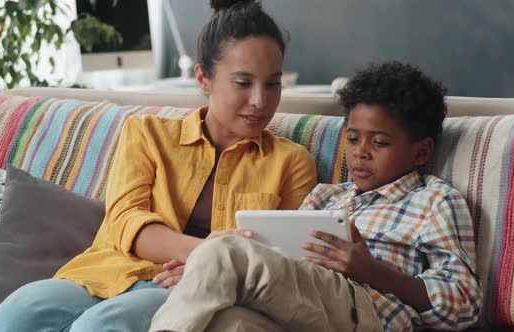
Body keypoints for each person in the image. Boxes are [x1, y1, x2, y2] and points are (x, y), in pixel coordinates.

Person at [0, 1, 317, 331]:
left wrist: (213, 272)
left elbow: (286, 262)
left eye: (272, 83)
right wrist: (211, 256)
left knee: (100, 326)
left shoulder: (291, 162)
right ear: (203, 78)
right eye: (243, 83)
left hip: (190, 289)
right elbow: (125, 220)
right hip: (108, 271)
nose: (261, 100)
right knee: (14, 314)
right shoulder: (147, 133)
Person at [149, 61, 483, 332]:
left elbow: (463, 304)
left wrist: (372, 271)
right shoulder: (325, 197)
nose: (361, 153)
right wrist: (207, 274)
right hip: (302, 311)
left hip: (369, 312)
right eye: (353, 139)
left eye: (379, 143)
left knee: (223, 249)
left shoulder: (435, 200)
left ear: (421, 152)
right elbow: (284, 266)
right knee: (227, 323)